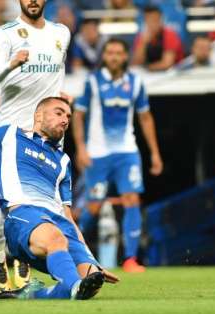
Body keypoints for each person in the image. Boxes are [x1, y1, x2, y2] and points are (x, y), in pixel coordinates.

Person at [0, 96, 120, 299]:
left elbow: (68, 216)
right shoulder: (9, 134)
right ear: (38, 115)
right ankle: (71, 287)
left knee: (93, 280)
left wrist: (93, 261)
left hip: (59, 224)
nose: (65, 120)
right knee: (57, 242)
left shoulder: (63, 160)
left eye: (68, 116)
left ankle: (33, 295)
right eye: (58, 113)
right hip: (23, 215)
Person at [0, 0, 71, 293]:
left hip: (47, 132)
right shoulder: (5, 33)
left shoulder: (61, 33)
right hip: (12, 129)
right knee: (2, 200)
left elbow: (58, 74)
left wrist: (60, 100)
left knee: (43, 202)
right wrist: (11, 64)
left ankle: (23, 258)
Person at [73, 38, 164, 273]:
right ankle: (75, 254)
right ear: (104, 56)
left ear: (125, 57)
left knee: (132, 199)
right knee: (93, 207)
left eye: (118, 53)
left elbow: (145, 117)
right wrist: (81, 148)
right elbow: (78, 115)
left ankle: (130, 259)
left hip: (126, 152)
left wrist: (154, 153)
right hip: (98, 154)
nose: (114, 57)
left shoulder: (135, 83)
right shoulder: (93, 82)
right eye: (110, 52)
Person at [131, 6, 184, 71]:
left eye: (154, 20)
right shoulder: (142, 36)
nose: (152, 24)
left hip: (173, 73)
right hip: (150, 73)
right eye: (148, 20)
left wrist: (146, 68)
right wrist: (143, 43)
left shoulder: (170, 35)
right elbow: (135, 63)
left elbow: (167, 64)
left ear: (161, 20)